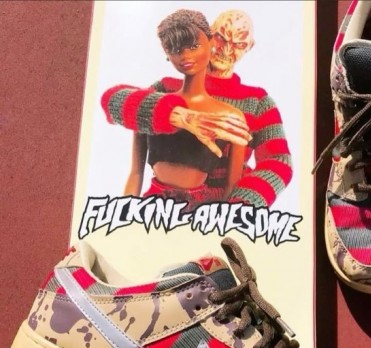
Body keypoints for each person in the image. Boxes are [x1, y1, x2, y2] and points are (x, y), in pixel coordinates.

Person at [101, 10, 292, 208]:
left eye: (239, 44)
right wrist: (173, 114)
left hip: (217, 209)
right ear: (209, 36)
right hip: (158, 206)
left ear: (249, 47)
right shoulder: (166, 88)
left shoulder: (258, 102)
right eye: (221, 38)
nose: (227, 50)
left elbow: (279, 161)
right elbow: (113, 101)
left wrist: (241, 206)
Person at [125, 10, 245, 209]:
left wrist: (220, 220)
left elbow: (232, 186)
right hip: (151, 206)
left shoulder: (230, 117)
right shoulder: (151, 105)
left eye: (194, 46)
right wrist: (123, 214)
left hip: (198, 210)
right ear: (167, 53)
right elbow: (136, 173)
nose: (186, 56)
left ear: (211, 42)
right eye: (176, 50)